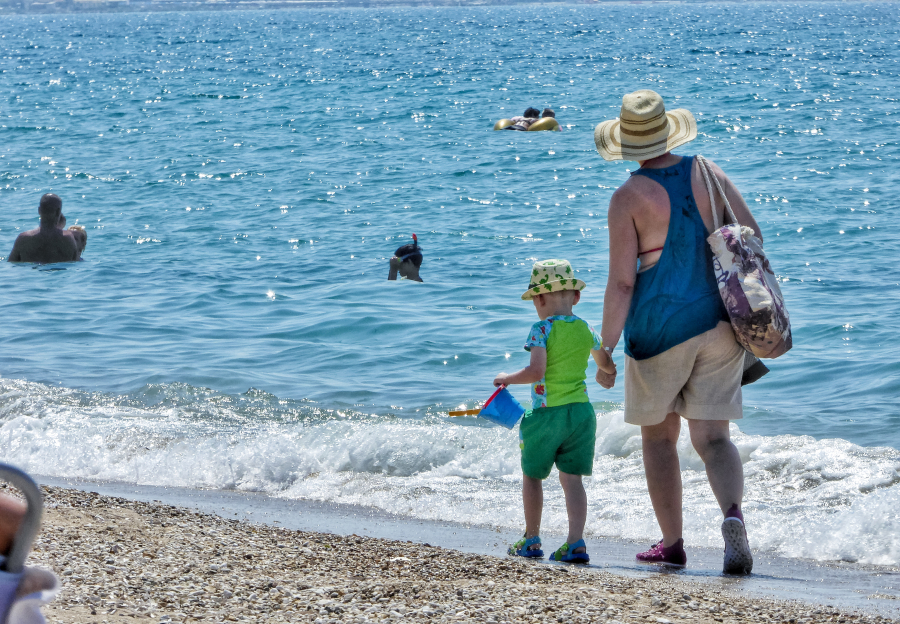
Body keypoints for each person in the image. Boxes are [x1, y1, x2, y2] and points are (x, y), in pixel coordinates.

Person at [593, 90, 762, 575]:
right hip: (721, 324)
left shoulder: (627, 198)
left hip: (657, 332)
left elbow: (623, 283)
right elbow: (751, 236)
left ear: (627, 142)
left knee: (659, 439)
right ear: (668, 131)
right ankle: (733, 517)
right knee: (714, 439)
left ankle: (671, 544)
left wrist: (605, 347)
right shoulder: (708, 173)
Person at [494, 259, 612, 563]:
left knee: (532, 475)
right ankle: (575, 543)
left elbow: (536, 371)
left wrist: (507, 378)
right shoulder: (586, 328)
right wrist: (607, 373)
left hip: (547, 415)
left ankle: (531, 539)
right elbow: (605, 363)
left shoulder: (541, 329)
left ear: (540, 299)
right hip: (581, 415)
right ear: (576, 296)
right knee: (572, 480)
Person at [7, 194, 80, 263]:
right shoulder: (68, 239)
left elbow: (11, 263)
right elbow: (75, 263)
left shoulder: (23, 239)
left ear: (39, 210)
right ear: (58, 212)